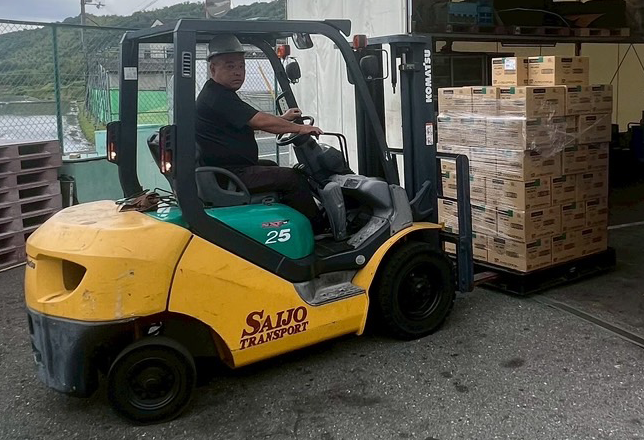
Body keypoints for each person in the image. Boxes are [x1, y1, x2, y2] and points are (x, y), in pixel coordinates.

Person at [196, 34, 323, 224]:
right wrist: (299, 128)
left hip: (226, 170)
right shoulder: (217, 97)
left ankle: (289, 221)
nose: (238, 72)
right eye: (230, 66)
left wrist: (282, 119)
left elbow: (249, 120)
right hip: (230, 174)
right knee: (293, 178)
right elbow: (260, 121)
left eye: (241, 66)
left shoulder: (218, 93)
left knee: (272, 166)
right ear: (213, 69)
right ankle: (318, 228)